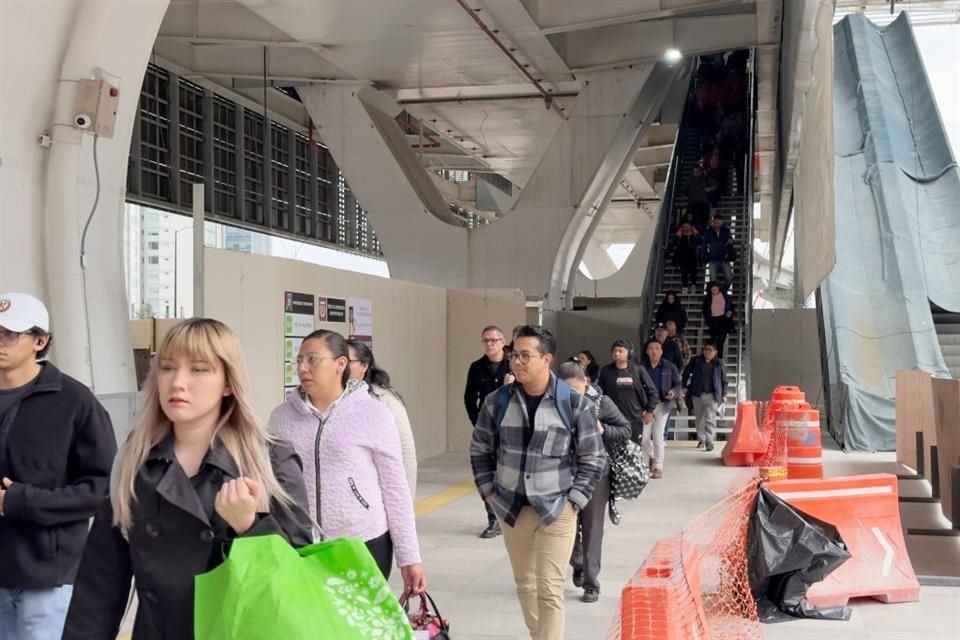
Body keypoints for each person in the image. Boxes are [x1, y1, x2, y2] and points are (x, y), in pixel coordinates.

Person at [62, 318, 313, 640]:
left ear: (227, 382)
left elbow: (298, 578)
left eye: (199, 369)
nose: (178, 382)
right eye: (167, 368)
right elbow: (99, 586)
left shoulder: (268, 460)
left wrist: (249, 526)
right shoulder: (134, 461)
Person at [470, 325, 606, 640]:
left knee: (550, 588)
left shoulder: (573, 403)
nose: (516, 362)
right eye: (514, 355)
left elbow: (593, 457)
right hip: (511, 508)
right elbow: (480, 450)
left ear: (546, 359)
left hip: (557, 508)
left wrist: (574, 501)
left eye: (525, 355)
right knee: (526, 584)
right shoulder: (497, 402)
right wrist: (489, 492)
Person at [268, 330, 425, 592]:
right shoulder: (281, 418)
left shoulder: (374, 413)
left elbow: (395, 487)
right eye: (299, 360)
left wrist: (409, 556)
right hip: (300, 545)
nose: (302, 368)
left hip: (364, 542)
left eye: (313, 359)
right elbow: (273, 482)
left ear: (341, 364)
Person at [0, 293, 117, 640]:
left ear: (40, 341)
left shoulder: (74, 402)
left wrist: (19, 501)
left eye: (10, 333)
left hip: (47, 579)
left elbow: (103, 489)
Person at [557, 362, 630, 604]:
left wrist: (603, 428)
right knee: (564, 526)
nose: (571, 396)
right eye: (566, 391)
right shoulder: (553, 403)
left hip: (597, 474)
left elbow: (625, 430)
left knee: (591, 529)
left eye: (576, 390)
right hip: (563, 474)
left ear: (586, 383)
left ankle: (591, 583)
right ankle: (577, 563)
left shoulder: (601, 403)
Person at [347, 339, 417, 496]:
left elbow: (406, 452)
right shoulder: (329, 401)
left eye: (348, 361)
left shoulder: (385, 399)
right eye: (338, 360)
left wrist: (406, 502)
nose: (341, 366)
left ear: (364, 366)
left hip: (374, 495)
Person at [463, 325, 512, 538]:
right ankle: (493, 519)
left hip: (511, 429)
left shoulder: (513, 366)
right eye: (486, 340)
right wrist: (478, 423)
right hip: (487, 430)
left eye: (494, 340)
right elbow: (469, 398)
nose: (490, 344)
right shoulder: (476, 367)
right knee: (486, 473)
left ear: (503, 342)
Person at [597, 339, 658, 446]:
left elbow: (652, 391)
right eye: (615, 351)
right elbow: (599, 393)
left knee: (634, 449)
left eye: (621, 351)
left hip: (634, 418)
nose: (617, 354)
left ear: (629, 353)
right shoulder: (606, 371)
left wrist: (650, 411)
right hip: (613, 419)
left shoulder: (638, 370)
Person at [640, 340, 682, 479]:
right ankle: (651, 455)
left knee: (658, 436)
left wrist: (673, 392)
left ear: (662, 351)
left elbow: (678, 384)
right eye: (651, 348)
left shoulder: (670, 367)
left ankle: (658, 467)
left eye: (657, 348)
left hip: (663, 405)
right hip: (646, 406)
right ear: (647, 351)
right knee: (644, 438)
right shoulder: (640, 368)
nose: (654, 351)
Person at [682, 342, 727, 451]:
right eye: (706, 349)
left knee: (710, 418)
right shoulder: (696, 361)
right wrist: (684, 386)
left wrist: (724, 394)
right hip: (697, 394)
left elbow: (724, 380)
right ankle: (701, 439)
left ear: (715, 352)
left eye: (710, 350)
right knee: (699, 418)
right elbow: (686, 373)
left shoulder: (719, 363)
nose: (708, 352)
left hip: (712, 395)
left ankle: (709, 441)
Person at [702, 282, 734, 358]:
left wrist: (730, 312)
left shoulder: (726, 296)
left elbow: (731, 306)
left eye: (715, 288)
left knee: (721, 341)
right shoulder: (707, 299)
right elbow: (705, 310)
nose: (714, 290)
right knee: (713, 340)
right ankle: (713, 357)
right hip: (713, 320)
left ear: (719, 288)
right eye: (712, 289)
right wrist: (708, 319)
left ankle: (719, 358)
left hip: (724, 319)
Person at [703, 216, 734, 290]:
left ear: (722, 223)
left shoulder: (726, 231)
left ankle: (723, 290)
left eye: (719, 223)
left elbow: (731, 239)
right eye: (715, 223)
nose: (717, 225)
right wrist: (705, 256)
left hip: (724, 259)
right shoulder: (708, 232)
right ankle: (717, 292)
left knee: (729, 277)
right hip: (713, 259)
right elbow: (704, 245)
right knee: (713, 280)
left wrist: (731, 241)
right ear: (713, 223)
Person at [674, 217, 702, 293]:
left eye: (687, 226)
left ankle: (693, 285)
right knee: (684, 272)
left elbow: (700, 241)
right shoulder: (679, 235)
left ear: (691, 226)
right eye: (684, 226)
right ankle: (685, 287)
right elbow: (674, 244)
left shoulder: (694, 234)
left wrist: (695, 232)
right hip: (682, 256)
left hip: (693, 256)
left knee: (693, 272)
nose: (685, 228)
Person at [685, 163, 717, 229]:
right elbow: (685, 190)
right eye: (694, 172)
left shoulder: (706, 178)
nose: (696, 173)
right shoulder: (689, 179)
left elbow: (716, 185)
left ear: (701, 171)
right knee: (692, 221)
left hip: (704, 203)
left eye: (698, 171)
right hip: (692, 203)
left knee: (704, 221)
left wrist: (709, 189)